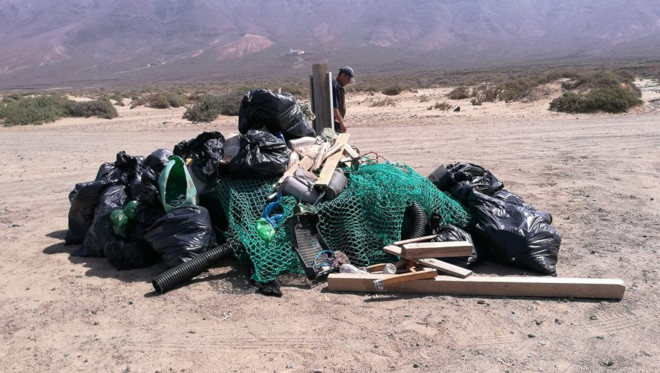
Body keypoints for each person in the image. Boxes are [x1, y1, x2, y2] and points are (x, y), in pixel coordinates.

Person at [332, 66, 356, 133]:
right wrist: (342, 123)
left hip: (337, 122)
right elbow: (334, 107)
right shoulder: (335, 86)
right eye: (348, 79)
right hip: (334, 123)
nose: (348, 82)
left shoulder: (338, 87)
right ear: (342, 75)